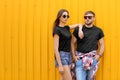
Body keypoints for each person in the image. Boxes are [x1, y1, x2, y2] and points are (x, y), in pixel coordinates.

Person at [71, 11, 104, 80]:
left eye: (89, 17)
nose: (87, 19)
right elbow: (72, 43)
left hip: (92, 59)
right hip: (80, 59)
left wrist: (99, 55)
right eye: (85, 17)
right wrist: (73, 56)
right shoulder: (78, 30)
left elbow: (102, 44)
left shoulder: (98, 30)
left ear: (94, 18)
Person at [53, 9, 82, 80]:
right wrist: (60, 65)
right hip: (61, 56)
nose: (66, 18)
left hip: (68, 55)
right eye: (64, 16)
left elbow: (79, 24)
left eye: (67, 16)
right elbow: (55, 48)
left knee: (63, 78)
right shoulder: (57, 30)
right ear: (59, 17)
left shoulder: (66, 28)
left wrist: (80, 30)